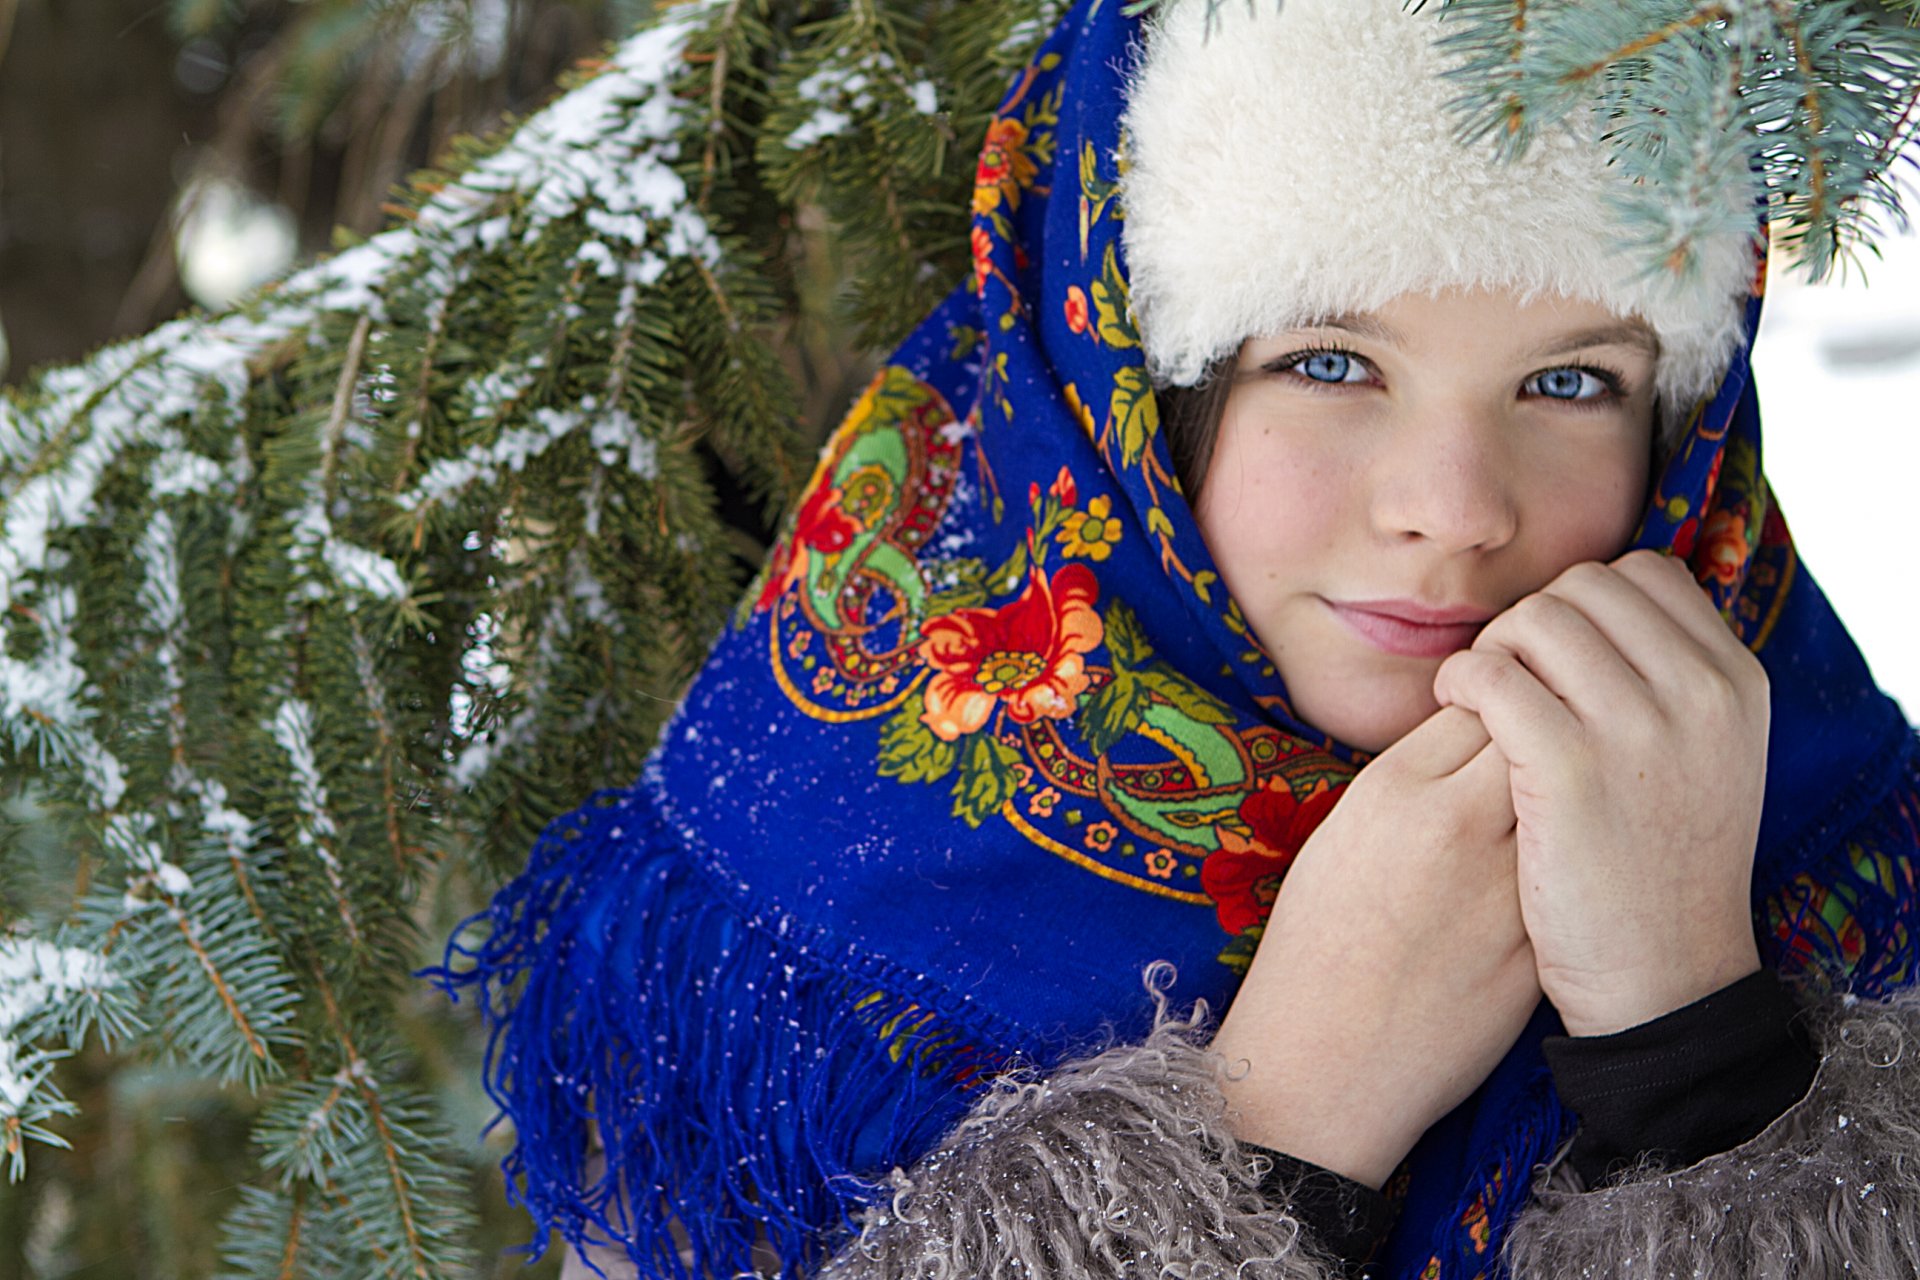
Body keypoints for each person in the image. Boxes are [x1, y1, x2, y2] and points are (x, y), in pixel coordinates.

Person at [440, 0, 1920, 1275]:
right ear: (1120, 375)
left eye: (1575, 383)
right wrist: (1284, 1128)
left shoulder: (1841, 831)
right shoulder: (796, 925)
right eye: (1330, 362)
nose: (1457, 510)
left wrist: (1702, 1056)